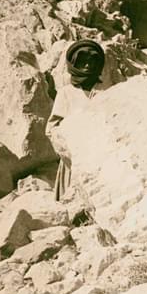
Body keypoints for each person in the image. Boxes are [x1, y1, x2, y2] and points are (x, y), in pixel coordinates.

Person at [46, 39, 107, 201]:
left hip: (102, 161)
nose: (87, 65)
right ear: (73, 64)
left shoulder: (105, 92)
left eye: (91, 61)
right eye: (82, 61)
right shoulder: (66, 93)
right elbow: (51, 130)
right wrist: (69, 152)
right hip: (73, 163)